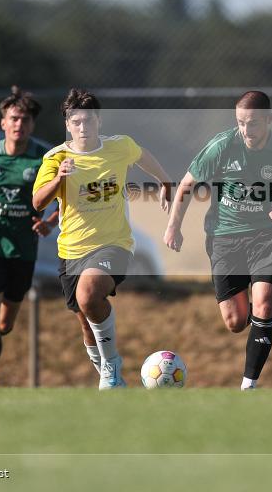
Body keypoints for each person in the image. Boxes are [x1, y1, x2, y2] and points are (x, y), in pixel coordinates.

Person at [164, 90, 272, 390]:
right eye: (241, 123)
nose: (246, 130)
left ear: (269, 120)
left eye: (253, 123)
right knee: (235, 321)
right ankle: (255, 314)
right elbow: (188, 184)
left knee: (265, 304)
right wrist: (173, 227)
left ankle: (248, 385)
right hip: (224, 238)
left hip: (264, 237)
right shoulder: (222, 146)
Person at [33, 88, 172, 389]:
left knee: (89, 295)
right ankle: (111, 379)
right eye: (76, 122)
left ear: (99, 121)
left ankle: (111, 366)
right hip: (71, 251)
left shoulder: (119, 146)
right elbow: (38, 201)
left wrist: (164, 181)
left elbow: (142, 156)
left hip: (114, 244)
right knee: (86, 319)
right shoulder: (56, 158)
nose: (83, 127)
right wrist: (59, 179)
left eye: (88, 120)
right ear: (68, 125)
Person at [0, 86, 59, 389]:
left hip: (22, 248)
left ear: (33, 125)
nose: (19, 124)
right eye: (14, 119)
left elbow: (65, 198)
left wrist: (49, 223)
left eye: (25, 120)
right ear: (3, 122)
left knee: (4, 324)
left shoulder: (42, 158)